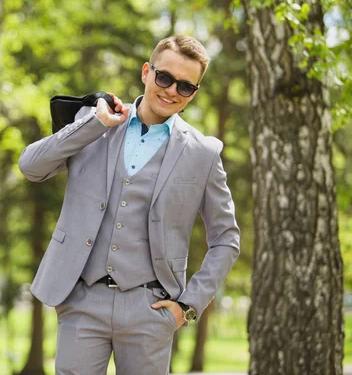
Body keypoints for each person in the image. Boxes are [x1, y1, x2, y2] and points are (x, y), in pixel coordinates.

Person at [18, 35, 240, 375]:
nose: (170, 91)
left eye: (184, 87)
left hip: (151, 309)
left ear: (194, 93)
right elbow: (31, 167)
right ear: (147, 71)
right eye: (164, 78)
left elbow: (226, 239)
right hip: (81, 299)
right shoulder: (95, 121)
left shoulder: (203, 153)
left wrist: (187, 305)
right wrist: (94, 124)